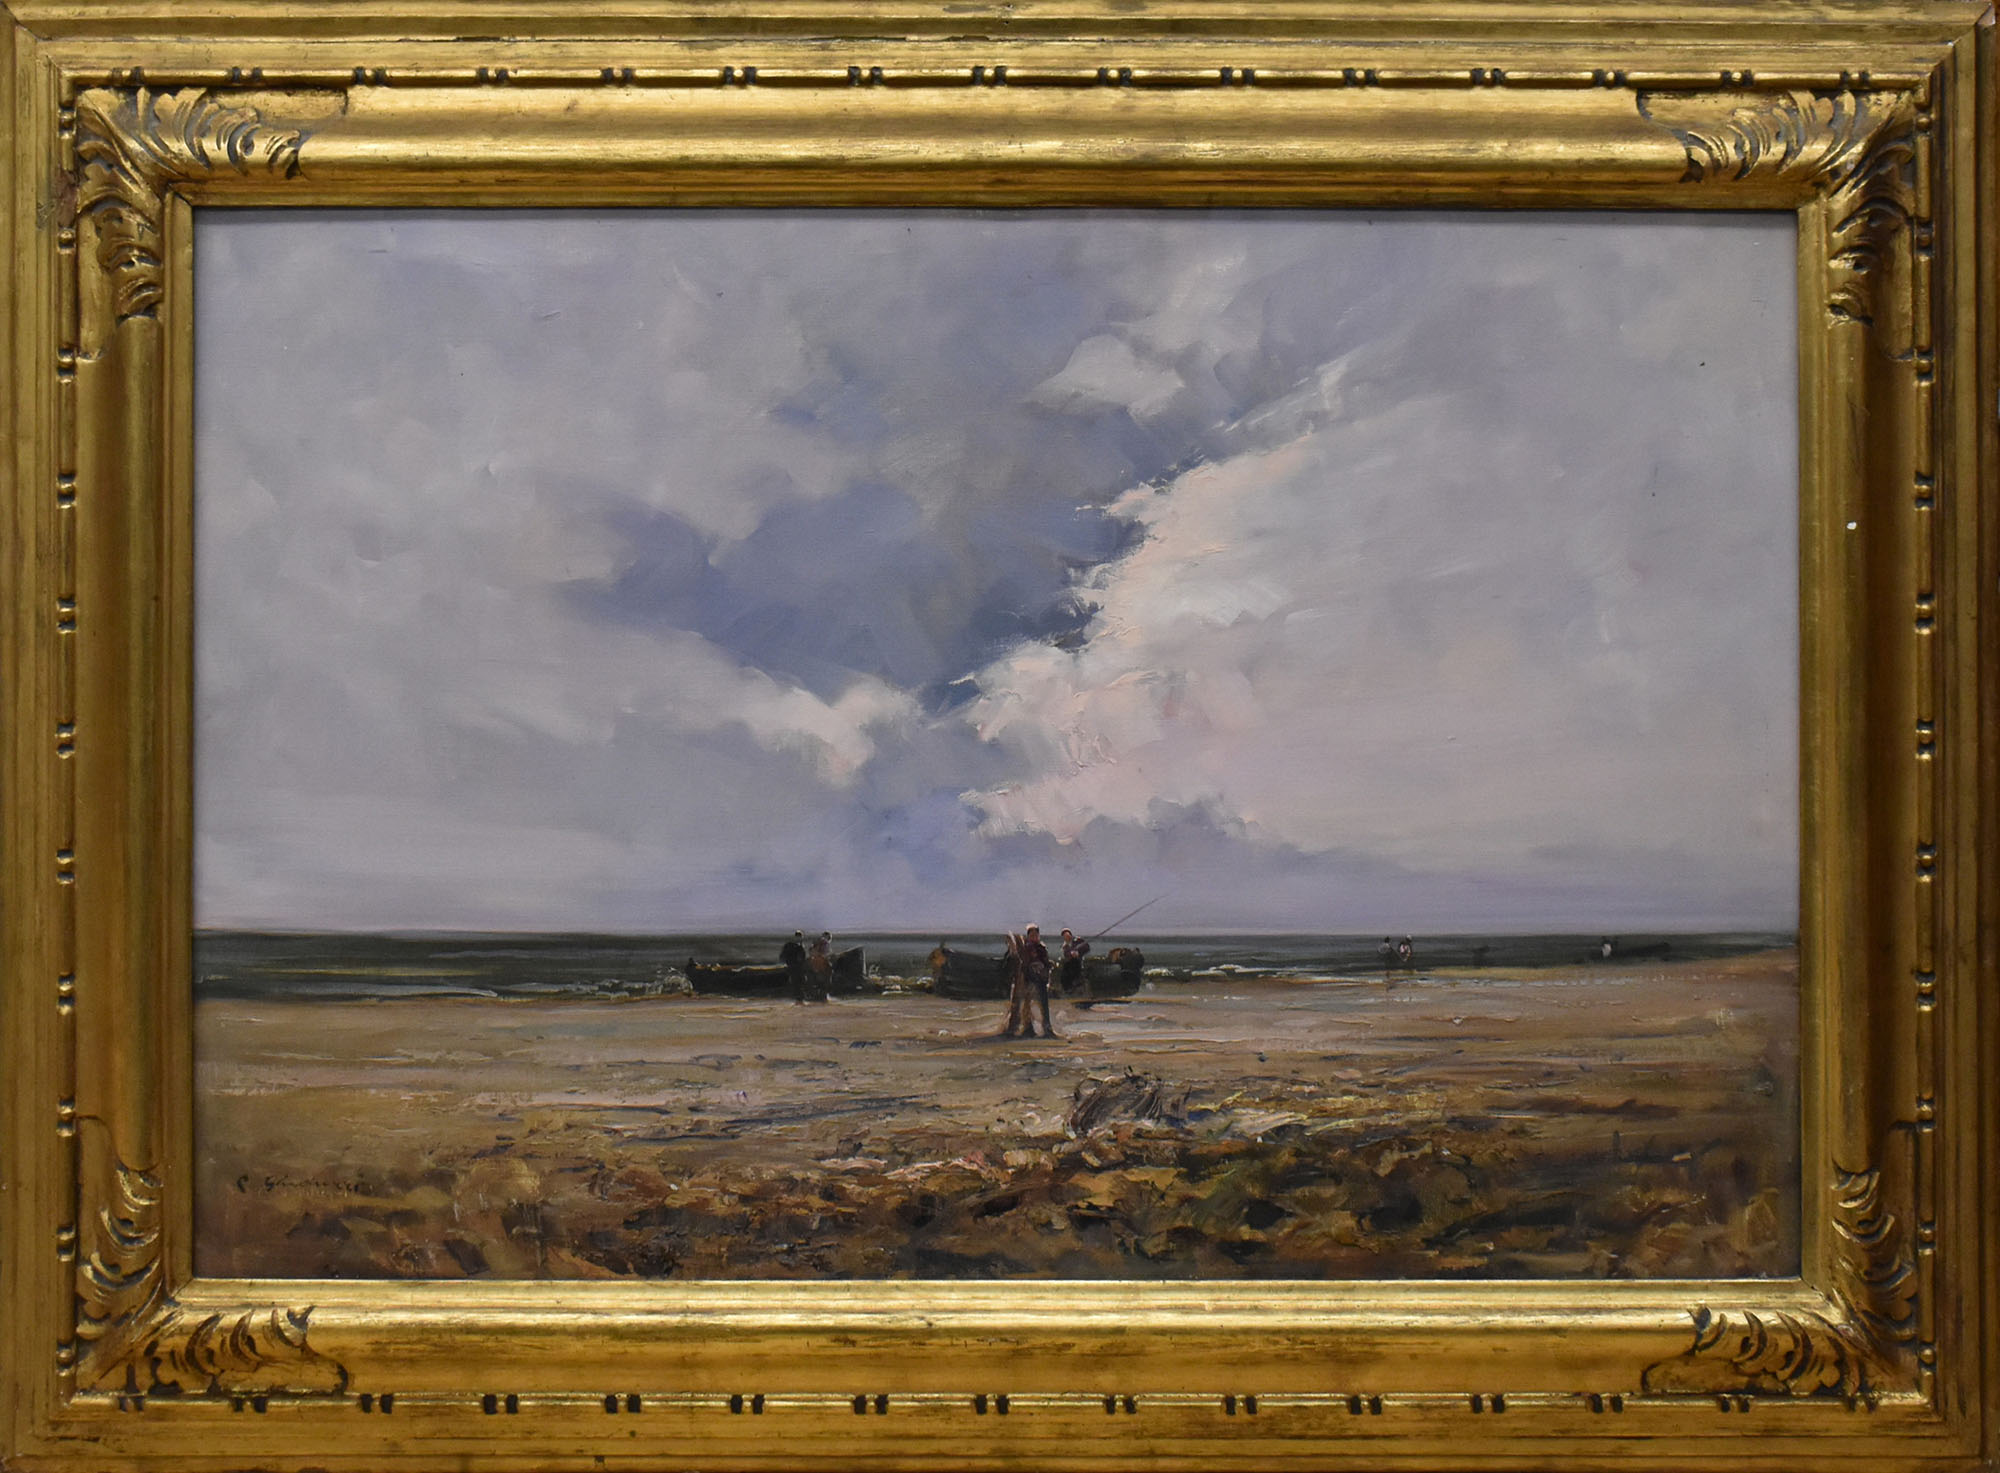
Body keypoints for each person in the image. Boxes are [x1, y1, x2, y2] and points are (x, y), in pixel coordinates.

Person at [1058, 927, 1091, 994]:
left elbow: (1087, 947)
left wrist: (1078, 952)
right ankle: (1068, 988)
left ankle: (1075, 984)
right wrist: (1070, 954)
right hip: (1069, 963)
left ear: (1070, 935)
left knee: (1074, 969)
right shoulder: (1064, 946)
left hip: (1078, 962)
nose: (1066, 937)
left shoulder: (1078, 940)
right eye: (1065, 936)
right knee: (1065, 973)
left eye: (1067, 935)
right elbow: (1065, 954)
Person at [780, 930, 809, 1005]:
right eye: (799, 937)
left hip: (794, 967)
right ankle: (799, 999)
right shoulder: (795, 946)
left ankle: (799, 999)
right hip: (795, 967)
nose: (799, 939)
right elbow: (801, 958)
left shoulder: (795, 946)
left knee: (798, 983)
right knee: (798, 983)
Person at [808, 931, 833, 1001]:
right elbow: (826, 954)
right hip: (822, 964)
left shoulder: (816, 942)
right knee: (824, 982)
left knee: (815, 982)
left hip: (814, 964)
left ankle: (815, 996)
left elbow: (811, 952)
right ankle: (823, 997)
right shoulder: (825, 943)